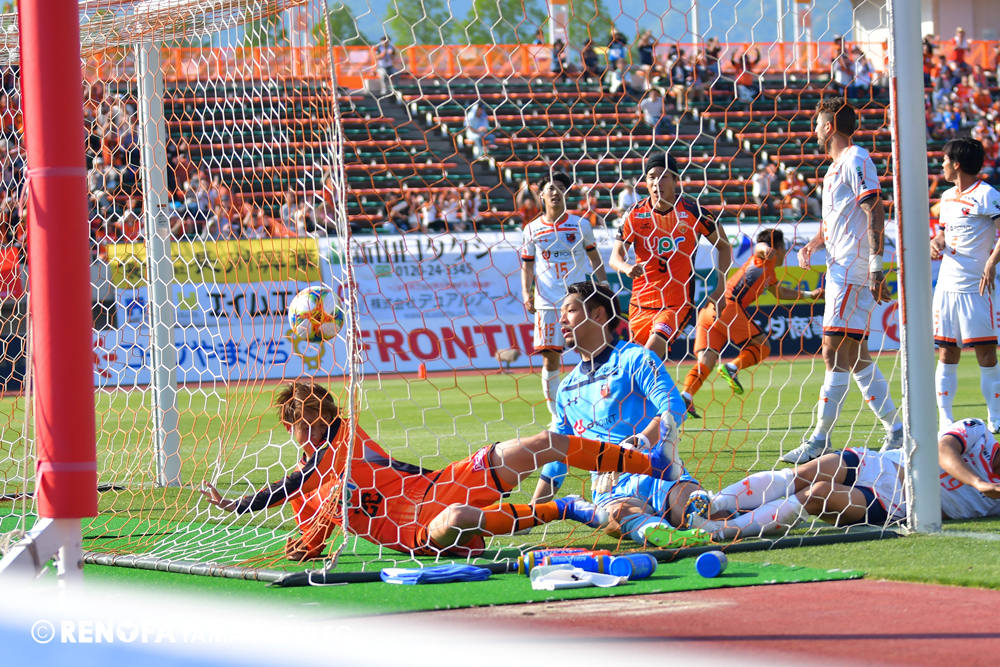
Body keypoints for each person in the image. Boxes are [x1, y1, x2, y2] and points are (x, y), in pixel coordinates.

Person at [200, 380, 683, 560]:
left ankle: (651, 463)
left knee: (544, 443)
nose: (314, 428)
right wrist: (305, 545)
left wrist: (237, 504)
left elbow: (297, 481)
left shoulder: (344, 437)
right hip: (415, 531)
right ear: (290, 426)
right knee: (457, 519)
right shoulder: (309, 487)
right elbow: (307, 505)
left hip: (436, 484)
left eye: (319, 419)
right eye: (304, 422)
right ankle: (564, 508)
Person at [529, 281, 717, 547]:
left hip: (660, 473)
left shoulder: (634, 357)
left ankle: (770, 505)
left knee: (698, 512)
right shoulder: (567, 388)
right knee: (618, 515)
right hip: (612, 489)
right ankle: (661, 533)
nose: (561, 320)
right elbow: (558, 456)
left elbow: (674, 405)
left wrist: (641, 440)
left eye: (570, 311)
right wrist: (533, 510)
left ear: (598, 314)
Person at [789, 97, 903, 464]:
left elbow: (875, 209)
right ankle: (897, 430)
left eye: (817, 123)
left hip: (853, 270)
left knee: (832, 351)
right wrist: (813, 244)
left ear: (829, 127)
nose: (814, 130)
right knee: (855, 357)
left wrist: (875, 266)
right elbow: (836, 219)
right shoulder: (833, 169)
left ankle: (820, 438)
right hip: (839, 267)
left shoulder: (856, 158)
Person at [688, 416, 1000, 541]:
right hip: (879, 463)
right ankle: (715, 503)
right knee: (800, 474)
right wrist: (979, 483)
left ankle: (720, 532)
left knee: (817, 494)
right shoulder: (978, 431)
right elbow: (944, 450)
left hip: (896, 503)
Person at [610, 152, 732, 365]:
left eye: (663, 176)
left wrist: (720, 289)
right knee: (637, 366)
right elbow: (615, 257)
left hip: (676, 304)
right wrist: (626, 267)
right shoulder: (634, 214)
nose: (657, 182)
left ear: (676, 180)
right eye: (651, 177)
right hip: (640, 303)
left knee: (649, 354)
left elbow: (724, 246)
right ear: (645, 181)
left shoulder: (694, 212)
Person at [681, 229, 824, 409]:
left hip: (709, 310)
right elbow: (759, 248)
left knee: (706, 361)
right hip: (727, 306)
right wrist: (765, 248)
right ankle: (732, 368)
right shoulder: (764, 258)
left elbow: (780, 292)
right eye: (785, 249)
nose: (785, 254)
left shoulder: (770, 272)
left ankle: (685, 395)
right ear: (779, 248)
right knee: (763, 346)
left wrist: (810, 295)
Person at [521, 172, 607, 419]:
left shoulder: (581, 225)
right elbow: (527, 264)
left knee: (591, 354)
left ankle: (595, 411)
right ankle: (556, 418)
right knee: (550, 360)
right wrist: (526, 292)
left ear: (567, 193)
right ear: (541, 195)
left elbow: (594, 257)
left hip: (578, 302)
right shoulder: (531, 229)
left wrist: (603, 284)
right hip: (547, 302)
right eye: (550, 188)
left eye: (560, 187)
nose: (555, 192)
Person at [929, 138, 1000, 432]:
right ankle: (945, 419)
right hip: (947, 286)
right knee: (947, 353)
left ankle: (996, 417)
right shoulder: (946, 198)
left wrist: (991, 262)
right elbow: (944, 234)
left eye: (945, 160)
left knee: (986, 354)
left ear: (956, 164)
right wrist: (937, 242)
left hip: (976, 288)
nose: (942, 165)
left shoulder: (987, 194)